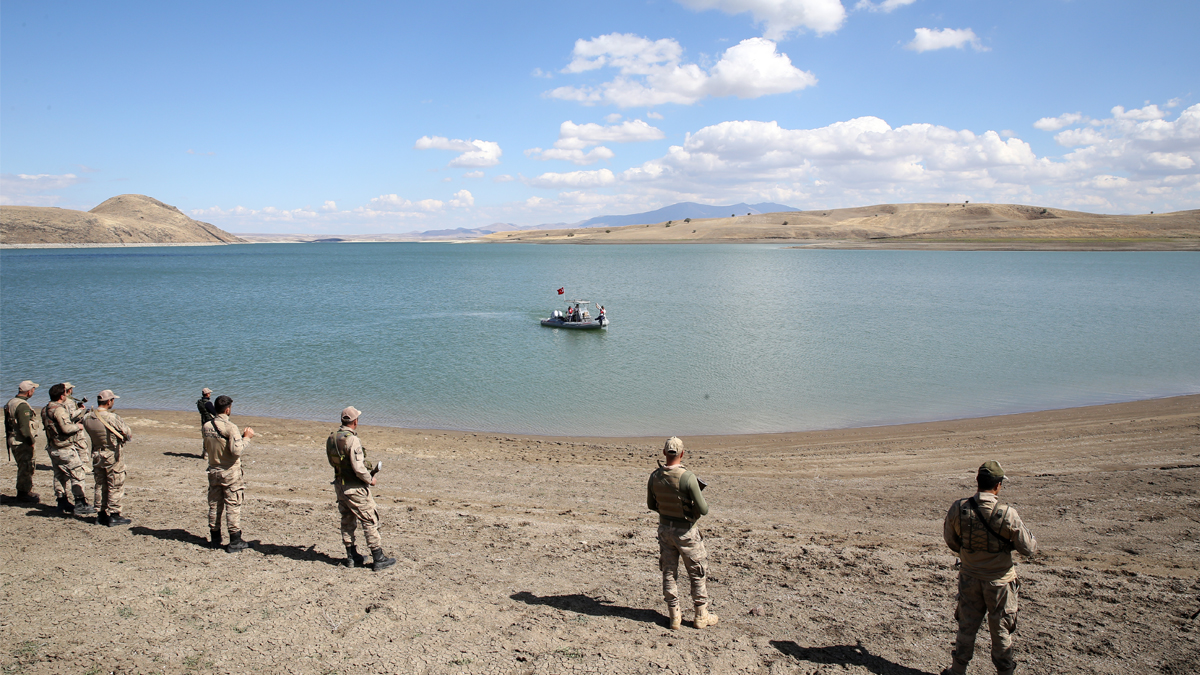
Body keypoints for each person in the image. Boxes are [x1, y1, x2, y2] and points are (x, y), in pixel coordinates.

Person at [942, 461, 1038, 675]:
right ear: (998, 485)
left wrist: (969, 554)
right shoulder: (1007, 514)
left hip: (969, 577)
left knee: (966, 628)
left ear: (978, 482)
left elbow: (951, 540)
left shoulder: (959, 508)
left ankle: (957, 671)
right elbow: (1029, 548)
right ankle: (1005, 672)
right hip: (1000, 583)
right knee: (1001, 632)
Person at [647, 436, 718, 630]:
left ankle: (674, 616)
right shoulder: (688, 477)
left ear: (664, 453)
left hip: (665, 530)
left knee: (669, 572)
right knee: (697, 572)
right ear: (682, 453)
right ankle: (701, 615)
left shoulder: (655, 476)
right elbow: (704, 510)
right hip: (686, 532)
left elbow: (651, 505)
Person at [326, 407, 396, 571]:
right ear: (355, 421)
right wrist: (370, 480)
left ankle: (352, 556)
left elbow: (333, 461)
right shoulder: (352, 440)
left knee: (347, 519)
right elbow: (358, 468)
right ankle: (378, 558)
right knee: (370, 519)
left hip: (340, 485)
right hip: (354, 487)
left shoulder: (332, 438)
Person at [202, 395, 255, 552]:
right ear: (227, 409)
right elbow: (236, 451)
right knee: (233, 505)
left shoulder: (207, 426)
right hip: (229, 472)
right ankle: (235, 540)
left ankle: (215, 538)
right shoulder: (230, 427)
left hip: (213, 470)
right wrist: (247, 438)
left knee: (214, 505)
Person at [41, 383, 95, 515]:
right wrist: (78, 427)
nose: (67, 395)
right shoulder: (59, 409)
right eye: (65, 393)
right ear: (61, 395)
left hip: (53, 446)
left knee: (59, 475)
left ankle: (61, 501)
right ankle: (80, 503)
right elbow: (66, 429)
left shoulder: (45, 408)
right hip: (64, 447)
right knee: (78, 473)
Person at [81, 390, 133, 527]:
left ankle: (101, 513)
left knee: (100, 484)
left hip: (97, 453)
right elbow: (128, 433)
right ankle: (115, 514)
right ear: (109, 401)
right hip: (112, 454)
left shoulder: (87, 417)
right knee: (115, 483)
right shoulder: (112, 417)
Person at [4, 380, 42, 503]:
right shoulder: (22, 406)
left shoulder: (11, 402)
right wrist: (30, 441)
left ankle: (25, 491)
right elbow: (24, 428)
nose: (34, 391)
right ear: (29, 391)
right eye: (33, 389)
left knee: (23, 466)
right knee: (26, 467)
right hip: (21, 441)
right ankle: (23, 493)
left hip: (13, 438)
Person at [196, 388, 216, 459]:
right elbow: (214, 412)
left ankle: (204, 452)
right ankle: (207, 454)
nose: (210, 394)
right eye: (209, 393)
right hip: (209, 420)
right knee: (211, 436)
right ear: (207, 394)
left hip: (203, 420)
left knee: (205, 436)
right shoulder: (208, 403)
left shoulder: (199, 402)